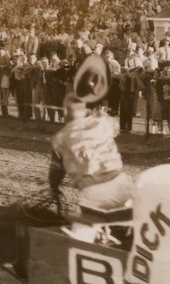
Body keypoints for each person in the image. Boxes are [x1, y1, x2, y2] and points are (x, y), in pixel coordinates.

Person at [48, 55, 133, 217]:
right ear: (85, 111)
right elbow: (114, 127)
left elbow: (55, 173)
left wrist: (54, 187)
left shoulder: (60, 139)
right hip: (123, 184)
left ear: (66, 114)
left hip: (95, 193)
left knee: (82, 236)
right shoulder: (103, 123)